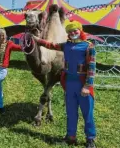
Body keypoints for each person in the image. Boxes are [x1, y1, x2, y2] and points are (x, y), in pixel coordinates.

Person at [32, 20, 96, 148]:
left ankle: (90, 139)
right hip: (69, 84)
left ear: (80, 30)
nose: (73, 33)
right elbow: (51, 45)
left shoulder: (89, 46)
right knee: (71, 112)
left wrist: (87, 86)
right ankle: (70, 137)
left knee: (87, 113)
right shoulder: (66, 45)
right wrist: (37, 40)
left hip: (83, 84)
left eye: (75, 30)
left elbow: (92, 67)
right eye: (70, 31)